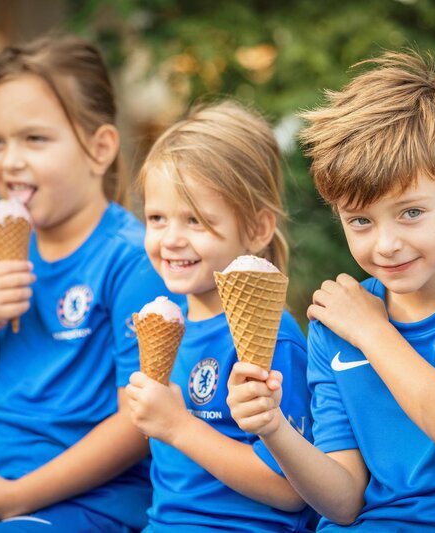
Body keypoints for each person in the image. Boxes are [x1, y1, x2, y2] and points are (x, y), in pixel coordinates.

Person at [227, 51, 435, 532]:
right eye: (360, 221)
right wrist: (273, 427)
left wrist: (373, 332)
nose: (386, 244)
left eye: (411, 213)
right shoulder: (335, 324)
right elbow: (344, 502)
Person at [0, 35, 172, 532]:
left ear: (99, 149)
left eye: (34, 139)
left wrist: (14, 499)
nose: (10, 161)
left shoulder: (132, 259)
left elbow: (138, 424)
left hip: (95, 502)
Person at [125, 101, 315, 532]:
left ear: (257, 229)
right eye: (157, 218)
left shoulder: (273, 340)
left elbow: (290, 491)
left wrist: (178, 426)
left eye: (195, 221)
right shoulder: (169, 325)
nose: (171, 239)